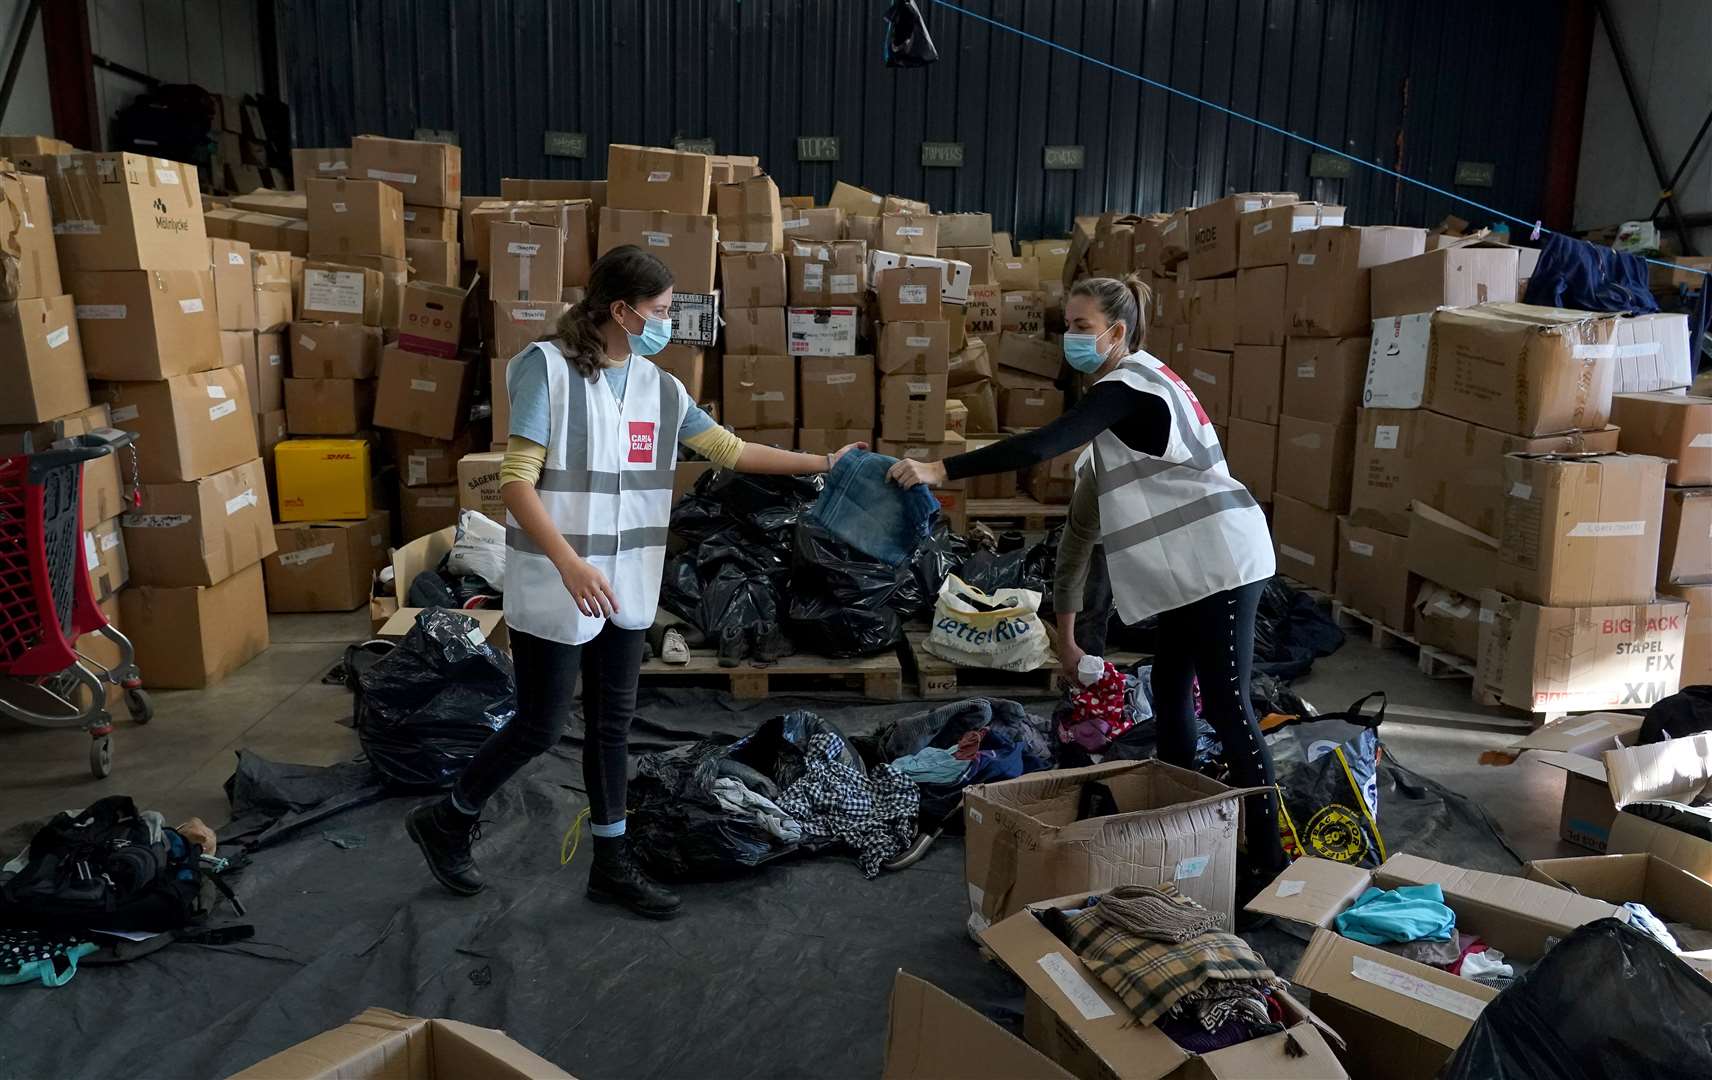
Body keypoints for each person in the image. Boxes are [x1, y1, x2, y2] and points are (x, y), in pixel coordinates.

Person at [406, 246, 863, 918]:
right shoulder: (548, 371)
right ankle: (448, 816)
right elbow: (513, 482)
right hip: (561, 580)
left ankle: (611, 864)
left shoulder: (660, 387)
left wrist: (826, 460)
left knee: (612, 727)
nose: (667, 323)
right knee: (540, 724)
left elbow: (730, 450)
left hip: (626, 582)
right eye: (659, 311)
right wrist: (568, 561)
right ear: (619, 310)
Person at [888, 275, 1286, 878]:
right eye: (1066, 326)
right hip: (1194, 570)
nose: (1069, 339)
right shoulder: (1146, 379)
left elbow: (1040, 445)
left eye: (1080, 327)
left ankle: (1268, 865)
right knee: (1174, 697)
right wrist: (1068, 631)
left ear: (1116, 332)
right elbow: (1079, 532)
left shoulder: (1126, 386)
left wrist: (941, 468)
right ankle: (1181, 833)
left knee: (1230, 711)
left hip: (1222, 564)